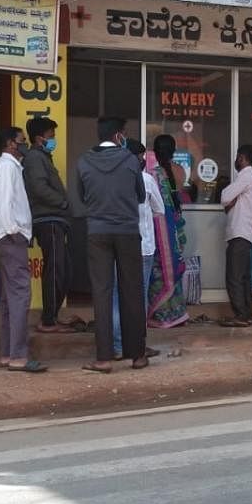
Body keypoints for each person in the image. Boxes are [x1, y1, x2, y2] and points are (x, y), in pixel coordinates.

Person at [77, 116, 148, 373]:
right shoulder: (130, 160)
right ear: (119, 135)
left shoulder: (84, 161)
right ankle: (137, 355)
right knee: (132, 291)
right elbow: (140, 195)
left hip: (97, 232)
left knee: (102, 293)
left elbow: (82, 195)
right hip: (127, 231)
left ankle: (104, 358)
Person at [0, 125, 46, 374]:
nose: (24, 144)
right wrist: (14, 230)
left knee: (9, 298)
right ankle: (19, 356)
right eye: (21, 141)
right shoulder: (8, 168)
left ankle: (7, 353)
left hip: (8, 237)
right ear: (11, 144)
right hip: (11, 238)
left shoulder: (8, 167)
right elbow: (3, 203)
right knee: (20, 295)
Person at [22, 115, 75, 334]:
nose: (53, 140)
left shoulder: (43, 157)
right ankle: (48, 320)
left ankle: (52, 316)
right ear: (39, 138)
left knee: (63, 270)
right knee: (55, 270)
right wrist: (62, 201)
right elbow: (38, 188)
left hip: (55, 220)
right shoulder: (35, 158)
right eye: (51, 136)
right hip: (48, 220)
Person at [112, 140, 163, 361]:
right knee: (138, 297)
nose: (143, 160)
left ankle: (117, 346)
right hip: (143, 247)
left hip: (118, 245)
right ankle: (137, 346)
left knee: (116, 296)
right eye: (141, 156)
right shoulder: (147, 180)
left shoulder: (113, 179)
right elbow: (159, 209)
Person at [147, 133, 189, 328]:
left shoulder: (153, 174)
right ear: (173, 151)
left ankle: (161, 314)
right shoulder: (179, 171)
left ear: (155, 151)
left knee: (159, 271)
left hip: (159, 230)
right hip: (176, 228)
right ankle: (177, 313)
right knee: (174, 268)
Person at [220, 143, 252, 327]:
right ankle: (246, 314)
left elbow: (224, 197)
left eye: (237, 157)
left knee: (234, 277)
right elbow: (229, 201)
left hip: (240, 233)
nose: (236, 160)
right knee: (242, 278)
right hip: (245, 234)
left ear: (242, 158)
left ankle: (240, 316)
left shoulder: (245, 177)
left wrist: (230, 201)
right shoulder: (250, 178)